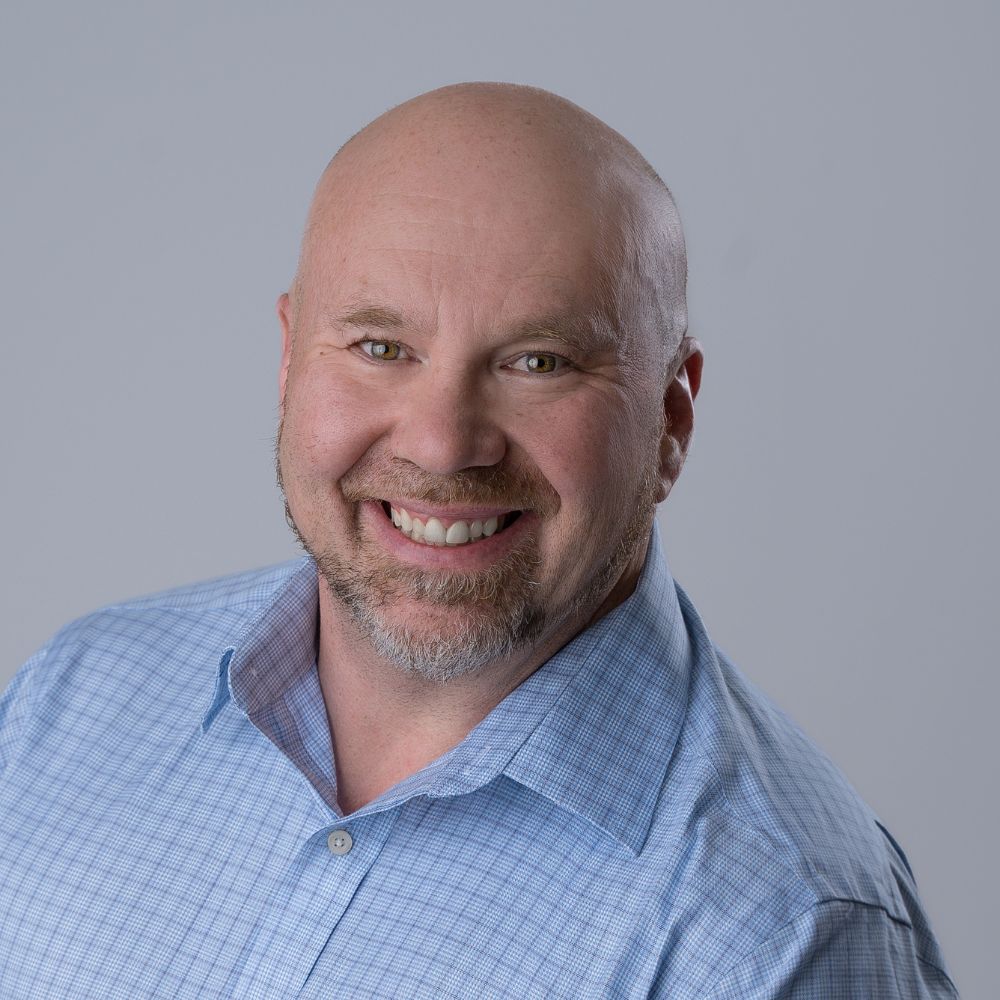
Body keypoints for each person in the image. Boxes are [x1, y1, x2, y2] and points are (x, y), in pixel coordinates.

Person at [0, 83, 958, 998]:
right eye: (381, 348)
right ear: (291, 360)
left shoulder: (780, 932)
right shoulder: (71, 703)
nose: (442, 442)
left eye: (536, 362)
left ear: (672, 420)